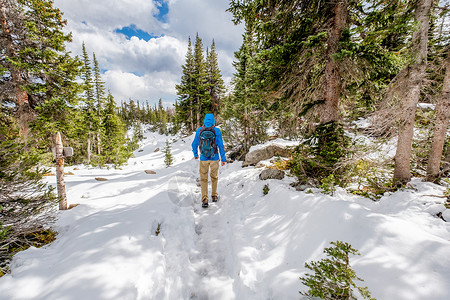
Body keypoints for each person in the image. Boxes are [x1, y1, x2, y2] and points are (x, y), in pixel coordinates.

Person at [192, 113, 226, 208]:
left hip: (203, 158)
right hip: (214, 158)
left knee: (203, 179)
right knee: (214, 177)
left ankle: (204, 199)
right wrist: (223, 159)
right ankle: (214, 196)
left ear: (205, 120)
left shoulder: (199, 130)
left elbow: (194, 144)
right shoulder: (216, 130)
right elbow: (221, 146)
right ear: (213, 121)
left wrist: (195, 155)